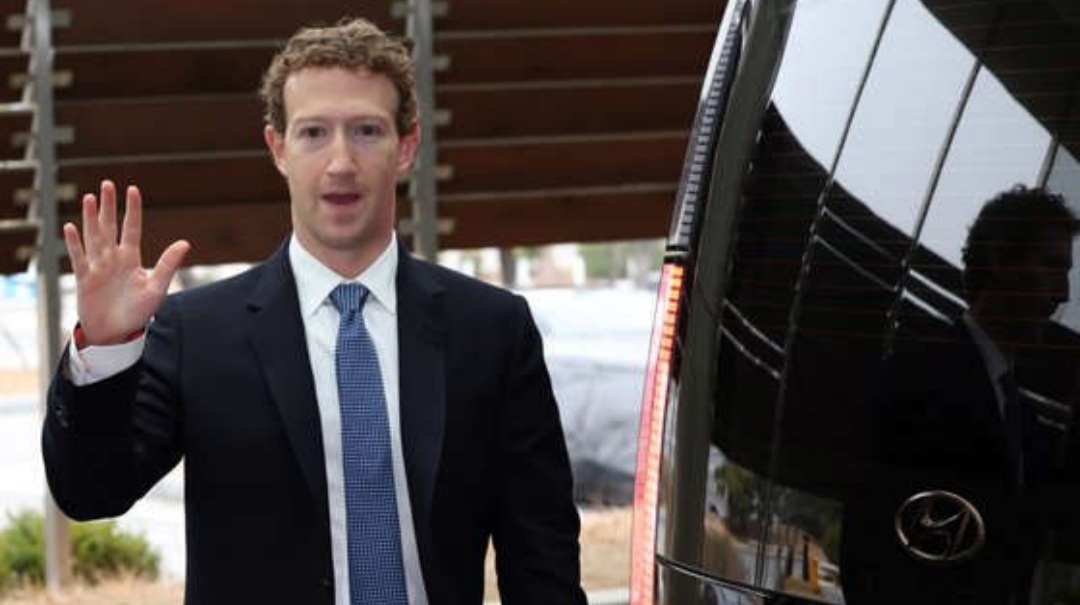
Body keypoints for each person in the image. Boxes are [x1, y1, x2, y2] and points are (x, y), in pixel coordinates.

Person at [41, 18, 586, 605]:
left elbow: (542, 558)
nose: (341, 161)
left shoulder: (492, 330)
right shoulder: (197, 332)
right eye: (314, 133)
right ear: (278, 148)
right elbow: (90, 492)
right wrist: (106, 349)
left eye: (367, 131)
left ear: (407, 146)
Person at [840, 185, 1078, 605]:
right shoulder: (916, 378)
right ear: (1001, 260)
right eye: (1051, 266)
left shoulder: (1027, 424)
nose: (1063, 294)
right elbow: (869, 548)